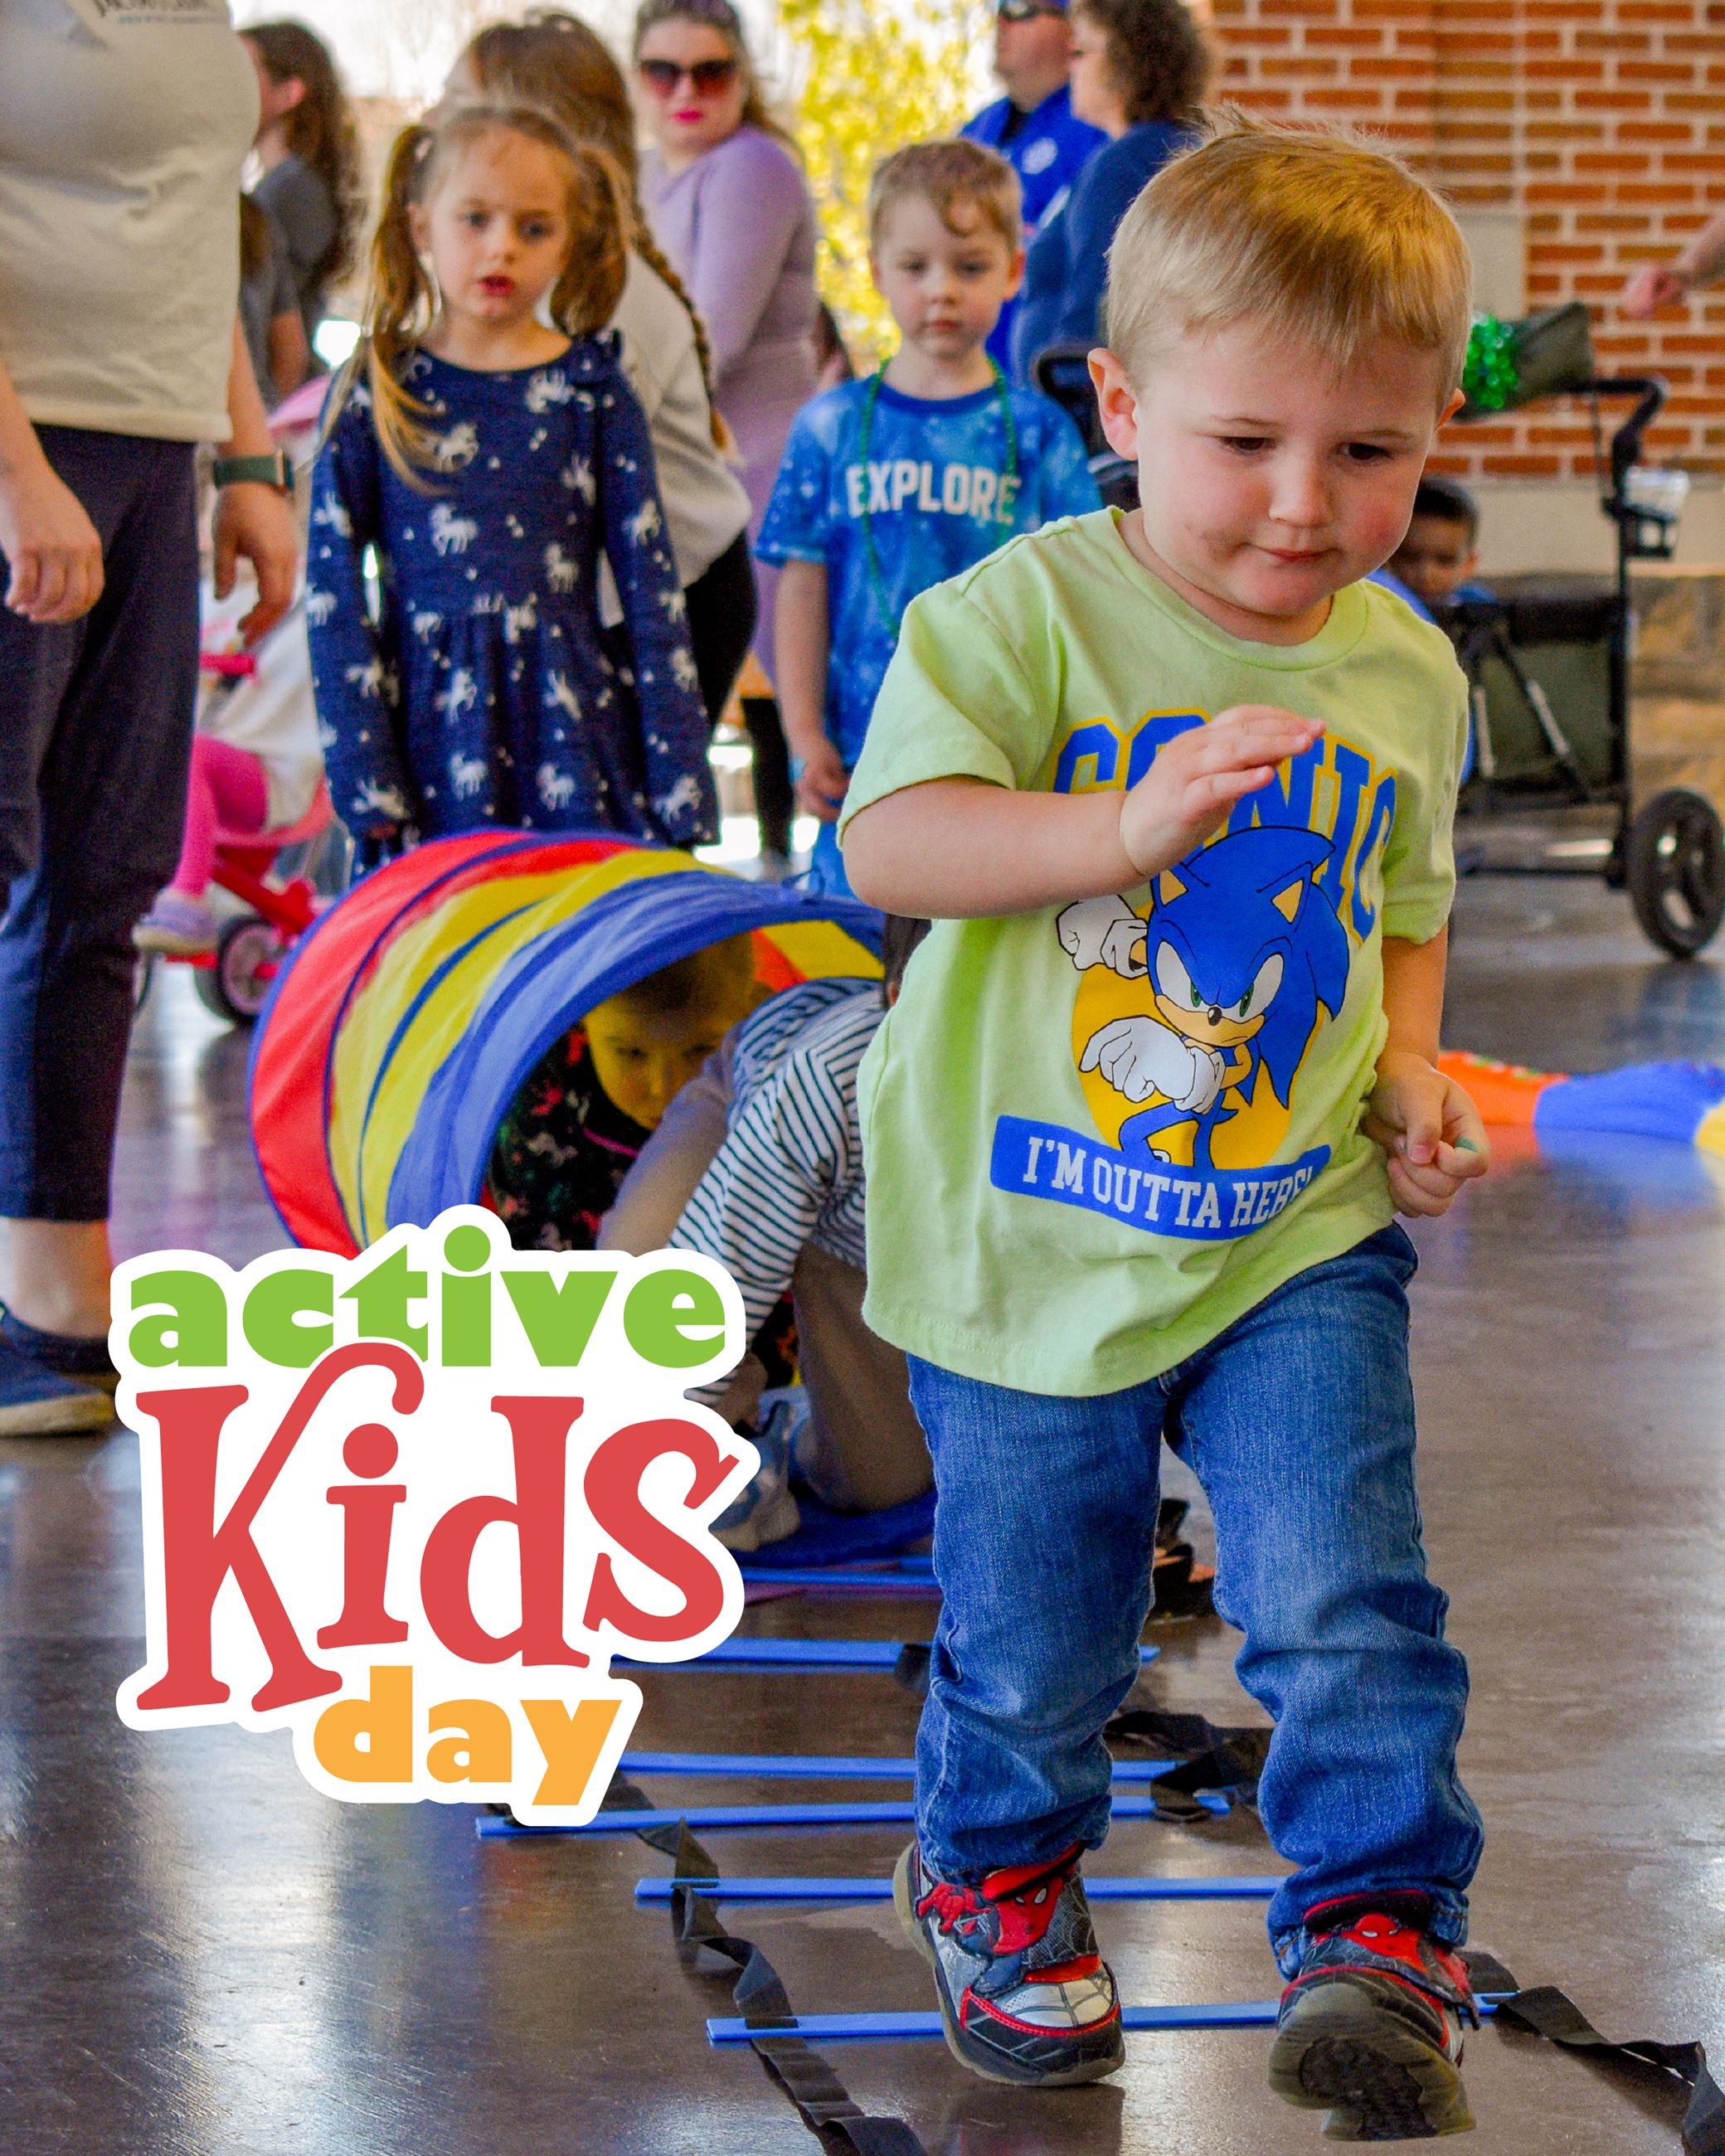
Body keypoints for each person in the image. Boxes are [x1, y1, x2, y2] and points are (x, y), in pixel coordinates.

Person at [842, 118, 1493, 2128]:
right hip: (1028, 1229)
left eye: (1371, 456)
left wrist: (1408, 1066)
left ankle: (1377, 1926)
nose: (1307, 509)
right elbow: (895, 837)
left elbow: (1403, 911)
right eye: (1245, 444)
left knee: (1339, 1583)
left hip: (1288, 1224)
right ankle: (991, 1866)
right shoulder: (1017, 617)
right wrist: (1117, 829)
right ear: (1121, 404)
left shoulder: (1401, 669)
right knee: (1046, 1628)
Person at [0, 0, 298, 1435]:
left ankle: (52, 1289)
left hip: (145, 445)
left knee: (103, 878)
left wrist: (245, 450)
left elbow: (193, 221)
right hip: (23, 440)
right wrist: (12, 471)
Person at [306, 104, 715, 851]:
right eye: (476, 220)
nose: (503, 248)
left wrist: (678, 782)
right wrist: (364, 777)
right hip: (426, 749)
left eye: (534, 228)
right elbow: (331, 593)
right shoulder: (377, 387)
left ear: (569, 242)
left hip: (578, 746)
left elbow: (652, 594)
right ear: (420, 226)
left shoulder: (595, 389)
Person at [759, 141, 1101, 896]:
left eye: (970, 267)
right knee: (855, 959)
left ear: (1013, 271)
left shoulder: (1039, 433)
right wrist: (803, 735)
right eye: (916, 267)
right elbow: (802, 591)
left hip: (1002, 746)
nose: (941, 291)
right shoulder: (829, 428)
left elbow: (1082, 591)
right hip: (859, 755)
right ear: (878, 272)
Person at [446, 12, 756, 727]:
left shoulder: (604, 294)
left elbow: (557, 482)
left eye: (462, 110)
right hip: (603, 590)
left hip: (678, 595)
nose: (438, 124)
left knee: (613, 832)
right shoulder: (526, 278)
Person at [600, 915, 936, 1549]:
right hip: (751, 1109)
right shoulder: (827, 1081)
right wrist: (641, 1451)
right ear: (900, 1002)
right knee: (640, 1277)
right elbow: (725, 1250)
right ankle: (700, 1440)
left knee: (879, 1488)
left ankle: (781, 1440)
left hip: (861, 1237)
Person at [634, 0, 819, 870]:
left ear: (742, 79)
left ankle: (802, 884)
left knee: (782, 689)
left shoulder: (754, 168)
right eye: (661, 71)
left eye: (710, 71)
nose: (685, 91)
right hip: (688, 466)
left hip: (760, 469)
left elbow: (711, 334)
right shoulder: (641, 171)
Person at [487, 934, 765, 1251]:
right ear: (578, 1018)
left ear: (754, 1011)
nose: (665, 1087)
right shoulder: (539, 1098)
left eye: (701, 1048)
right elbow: (533, 1253)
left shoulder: (770, 1081)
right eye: (631, 1053)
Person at [1010, 0, 1210, 385]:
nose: (1071, 69)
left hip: (1086, 419)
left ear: (1128, 62)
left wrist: (1067, 395)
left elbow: (1096, 309)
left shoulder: (1124, 165)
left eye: (1080, 52)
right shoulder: (1170, 148)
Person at [133, 575, 325, 957]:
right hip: (210, 767)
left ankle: (187, 899)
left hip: (271, 774)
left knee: (190, 754)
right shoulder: (200, 596)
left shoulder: (305, 596)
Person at [963, 0, 1106, 372]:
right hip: (971, 386)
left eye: (1022, 8)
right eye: (998, 8)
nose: (1002, 22)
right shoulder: (976, 132)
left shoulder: (1096, 128)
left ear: (1072, 29)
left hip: (1053, 381)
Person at [242, 22, 362, 363]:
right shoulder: (287, 185)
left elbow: (281, 330)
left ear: (288, 94)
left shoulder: (294, 191)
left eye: (244, 74)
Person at [239, 195, 311, 410]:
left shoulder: (159, 215)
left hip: (177, 421)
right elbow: (292, 352)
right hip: (258, 412)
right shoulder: (256, 219)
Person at [1387, 474, 1488, 614]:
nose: (1426, 574)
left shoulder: (1480, 609)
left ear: (1469, 564)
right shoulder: (1380, 607)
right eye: (1411, 558)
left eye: (1445, 561)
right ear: (1389, 557)